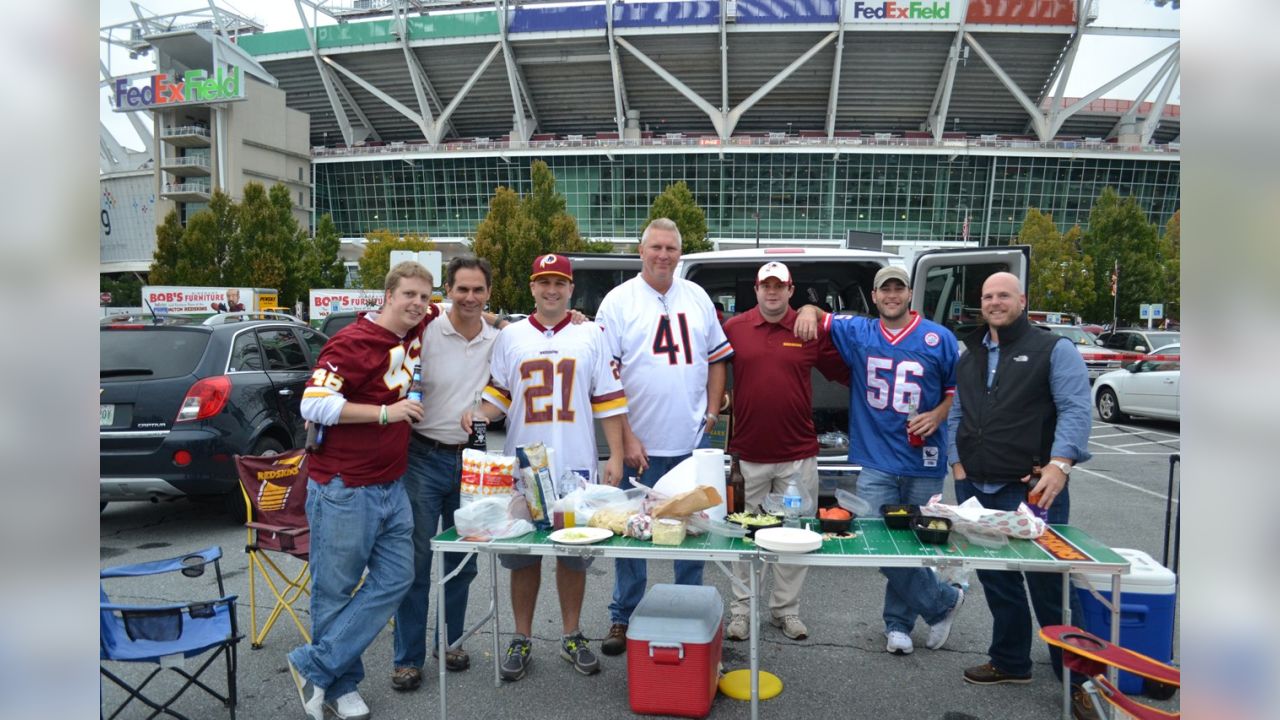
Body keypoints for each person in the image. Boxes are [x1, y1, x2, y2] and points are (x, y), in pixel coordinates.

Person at [286, 262, 439, 720]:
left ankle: (316, 664)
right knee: (334, 591)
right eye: (408, 294)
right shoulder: (352, 342)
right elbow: (313, 403)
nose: (417, 303)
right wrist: (385, 414)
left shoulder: (417, 325)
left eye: (423, 297)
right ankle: (340, 685)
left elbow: (462, 309)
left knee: (397, 578)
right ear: (387, 295)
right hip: (345, 488)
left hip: (391, 484)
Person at [464, 254, 628, 681]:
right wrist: (477, 414)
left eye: (559, 282)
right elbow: (498, 396)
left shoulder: (591, 333)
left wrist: (616, 455)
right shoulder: (510, 337)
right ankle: (522, 637)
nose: (551, 290)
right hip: (523, 466)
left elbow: (608, 400)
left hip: (575, 466)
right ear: (532, 287)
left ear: (571, 288)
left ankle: (572, 634)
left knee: (572, 556)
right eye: (543, 282)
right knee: (523, 557)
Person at [795, 266, 965, 656]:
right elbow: (820, 318)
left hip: (924, 456)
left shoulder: (939, 338)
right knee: (878, 544)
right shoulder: (861, 330)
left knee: (912, 545)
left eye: (898, 289)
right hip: (876, 458)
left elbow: (957, 392)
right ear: (874, 297)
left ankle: (898, 624)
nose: (891, 295)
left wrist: (939, 414)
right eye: (884, 290)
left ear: (909, 294)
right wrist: (808, 309)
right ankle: (942, 602)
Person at [945, 271, 1092, 686]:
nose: (995, 302)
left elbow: (1076, 409)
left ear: (1022, 301)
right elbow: (958, 412)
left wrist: (1060, 465)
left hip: (1033, 489)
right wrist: (957, 466)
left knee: (1051, 588)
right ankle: (1010, 661)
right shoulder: (971, 352)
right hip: (976, 486)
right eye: (988, 296)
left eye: (1004, 295)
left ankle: (1080, 682)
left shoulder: (1053, 348)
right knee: (997, 580)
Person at [594, 218, 733, 656]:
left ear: (680, 252)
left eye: (671, 248)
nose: (663, 255)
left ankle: (687, 610)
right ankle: (624, 616)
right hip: (640, 444)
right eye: (655, 247)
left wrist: (712, 409)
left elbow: (717, 358)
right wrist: (627, 437)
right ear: (641, 251)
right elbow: (607, 375)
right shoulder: (618, 301)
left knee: (691, 532)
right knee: (631, 533)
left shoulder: (696, 297)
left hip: (690, 442)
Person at [722, 261, 849, 642]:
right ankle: (742, 611)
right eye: (766, 286)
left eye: (780, 286)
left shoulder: (807, 328)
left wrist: (820, 312)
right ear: (756, 291)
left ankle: (785, 610)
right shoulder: (735, 329)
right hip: (747, 455)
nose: (773, 292)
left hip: (797, 455)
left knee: (795, 535)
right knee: (742, 536)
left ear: (791, 290)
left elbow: (848, 371)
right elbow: (703, 366)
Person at [390, 257, 501, 691]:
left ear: (489, 292)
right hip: (422, 457)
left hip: (472, 461)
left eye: (478, 290)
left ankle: (451, 641)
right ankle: (408, 658)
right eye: (462, 289)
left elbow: (507, 389)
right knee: (415, 562)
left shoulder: (499, 338)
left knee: (463, 562)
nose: (470, 298)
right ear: (448, 292)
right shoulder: (427, 330)